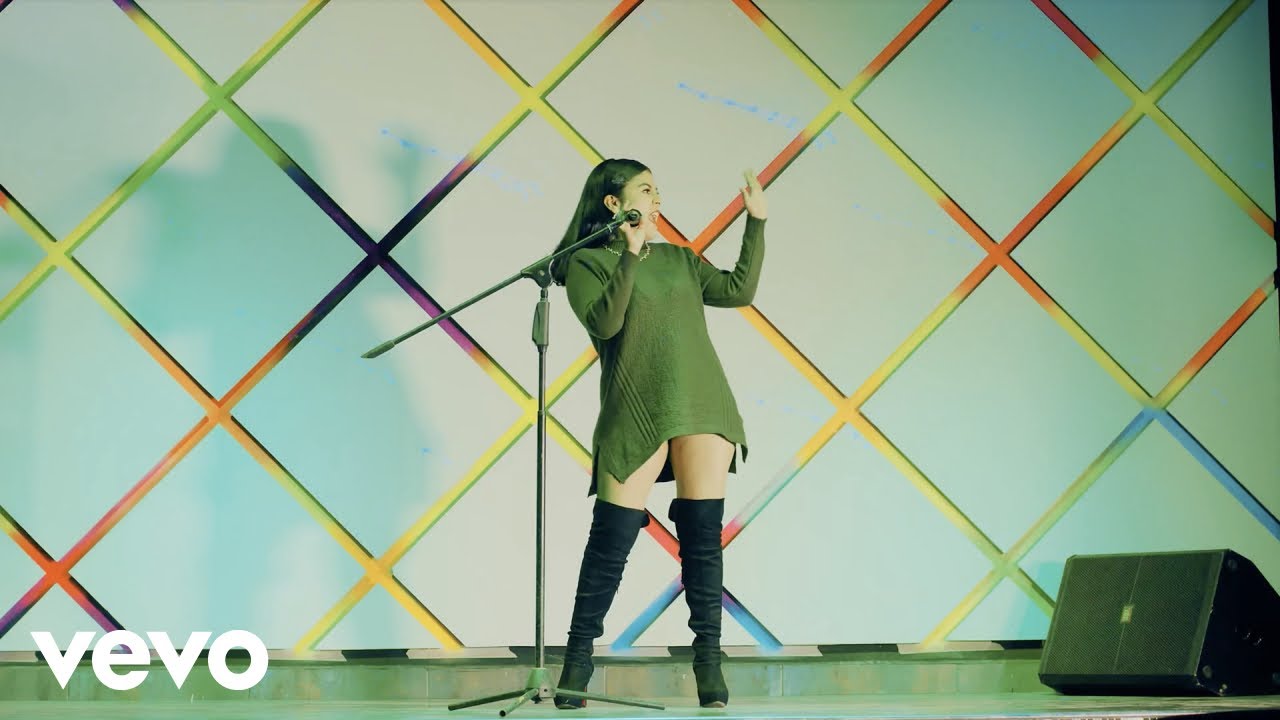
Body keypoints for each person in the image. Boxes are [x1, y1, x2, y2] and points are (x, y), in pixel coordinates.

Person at [547, 158, 767, 709]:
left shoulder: (679, 259)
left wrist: (756, 222)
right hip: (636, 406)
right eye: (646, 190)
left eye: (658, 190)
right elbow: (606, 323)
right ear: (614, 203)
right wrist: (627, 253)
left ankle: (709, 665)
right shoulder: (586, 262)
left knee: (702, 539)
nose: (657, 199)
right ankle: (577, 664)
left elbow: (738, 290)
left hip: (701, 401)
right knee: (612, 538)